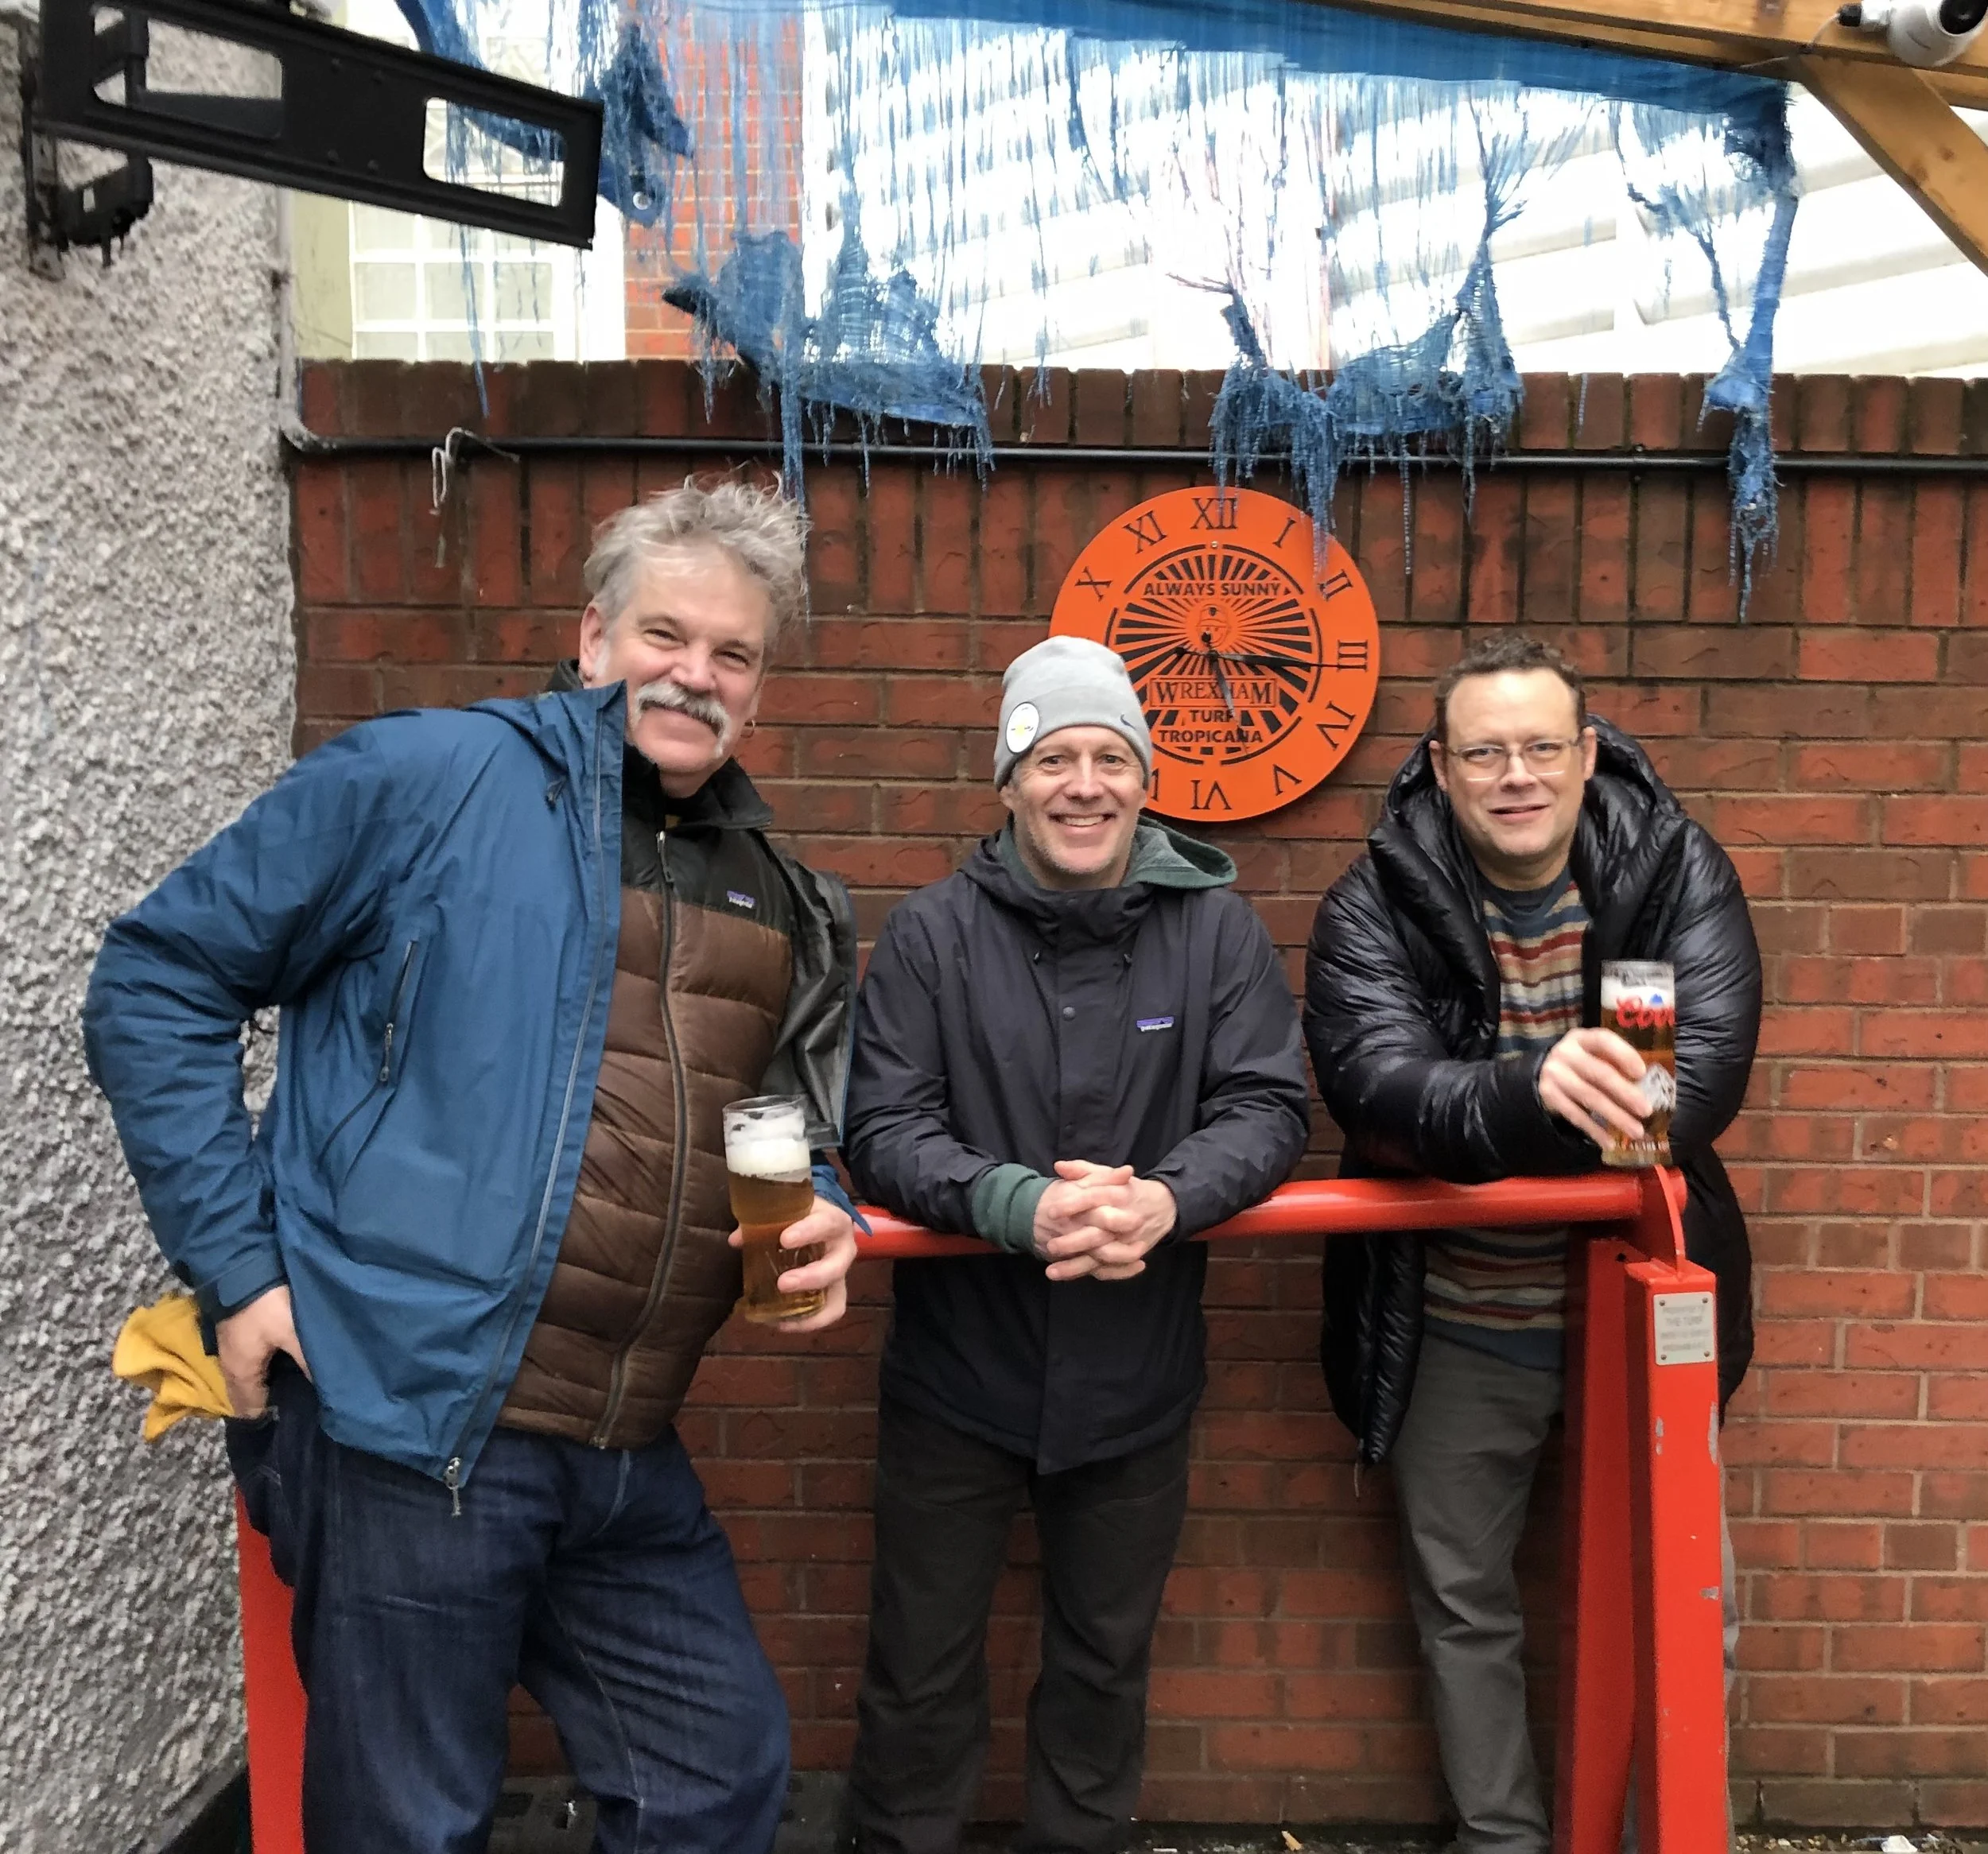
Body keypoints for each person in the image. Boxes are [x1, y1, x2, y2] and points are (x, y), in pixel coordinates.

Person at [83, 481, 864, 1854]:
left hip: (624, 1444)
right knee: (408, 1826)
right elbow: (159, 977)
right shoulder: (426, 779)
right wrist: (239, 1271)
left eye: (733, 653)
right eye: (665, 634)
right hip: (405, 1419)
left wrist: (832, 1214)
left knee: (718, 1777)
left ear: (761, 684)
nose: (695, 674)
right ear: (591, 636)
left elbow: (792, 1116)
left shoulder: (780, 888)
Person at [839, 635, 1312, 1854]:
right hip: (958, 1380)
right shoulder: (931, 937)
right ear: (1007, 783)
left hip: (1136, 1382)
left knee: (1103, 1672)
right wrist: (1006, 1201)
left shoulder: (1218, 934)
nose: (1084, 784)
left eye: (1111, 757)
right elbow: (882, 1124)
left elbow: (1266, 1108)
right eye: (1054, 758)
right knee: (919, 1676)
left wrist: (1167, 1196)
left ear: (1148, 781)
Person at [1303, 632, 1760, 1854]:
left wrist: (1492, 1118)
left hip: (1638, 1307)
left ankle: (1672, 1835)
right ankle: (1503, 1840)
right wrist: (1541, 1090)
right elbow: (1379, 1094)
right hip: (1453, 1314)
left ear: (1587, 754)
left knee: (1688, 1603)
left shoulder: (1669, 867)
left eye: (1543, 747)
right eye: (1486, 751)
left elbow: (1687, 1094)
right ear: (1441, 768)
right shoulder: (1376, 894)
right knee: (1465, 1605)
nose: (1519, 775)